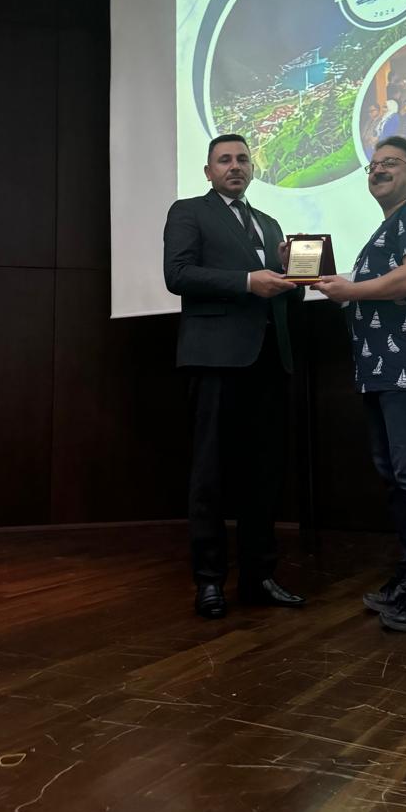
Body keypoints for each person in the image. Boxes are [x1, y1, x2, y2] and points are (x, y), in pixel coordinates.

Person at [312, 135, 406, 632]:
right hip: (380, 369)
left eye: (390, 163)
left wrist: (351, 290)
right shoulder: (389, 227)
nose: (377, 170)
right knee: (397, 477)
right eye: (373, 165)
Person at [163, 134, 306, 619]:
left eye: (243, 159)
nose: (235, 166)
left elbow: (286, 292)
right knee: (210, 475)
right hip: (215, 359)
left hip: (268, 360)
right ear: (209, 172)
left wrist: (293, 274)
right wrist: (248, 281)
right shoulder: (188, 211)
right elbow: (178, 275)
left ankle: (258, 577)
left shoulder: (269, 223)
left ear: (252, 168)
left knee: (263, 475)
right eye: (224, 160)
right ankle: (209, 582)